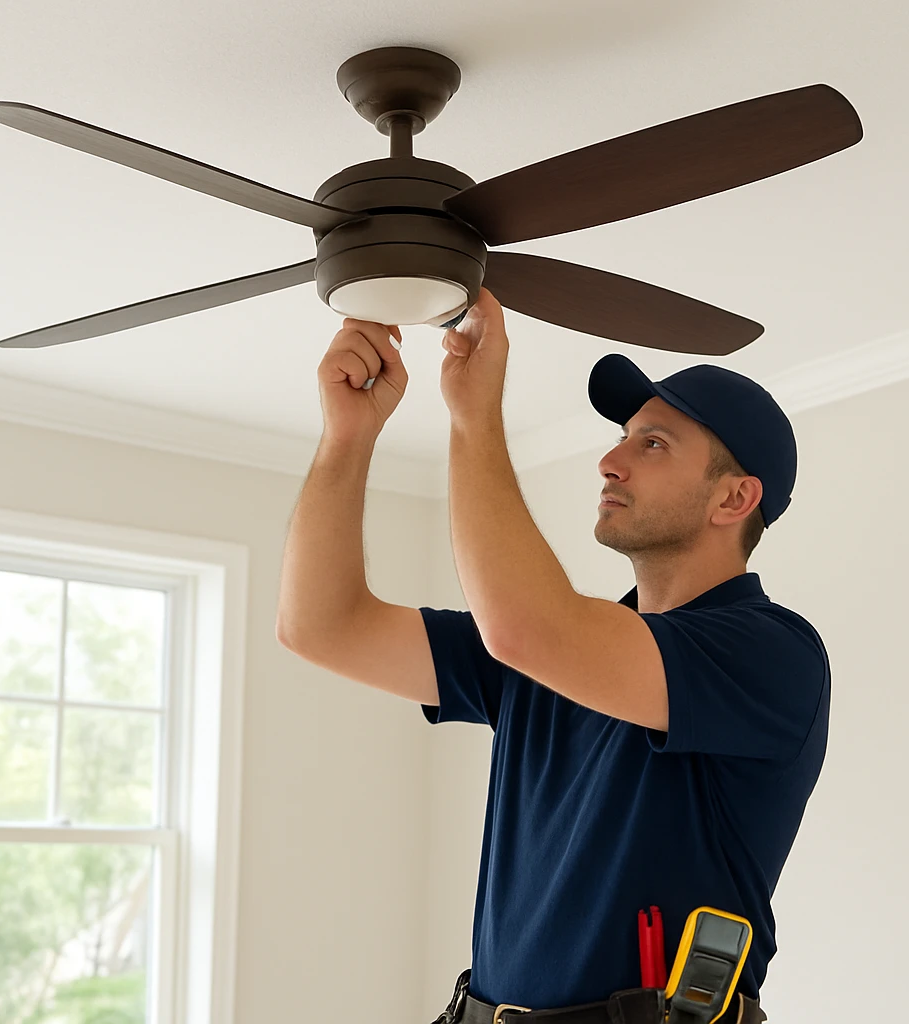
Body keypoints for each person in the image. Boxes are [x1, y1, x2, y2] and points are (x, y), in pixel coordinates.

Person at [276, 289, 830, 1024]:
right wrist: (347, 436)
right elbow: (322, 623)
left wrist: (475, 413)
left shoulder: (771, 656)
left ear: (733, 499)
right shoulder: (549, 658)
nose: (611, 458)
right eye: (625, 436)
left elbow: (525, 627)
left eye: (652, 443)